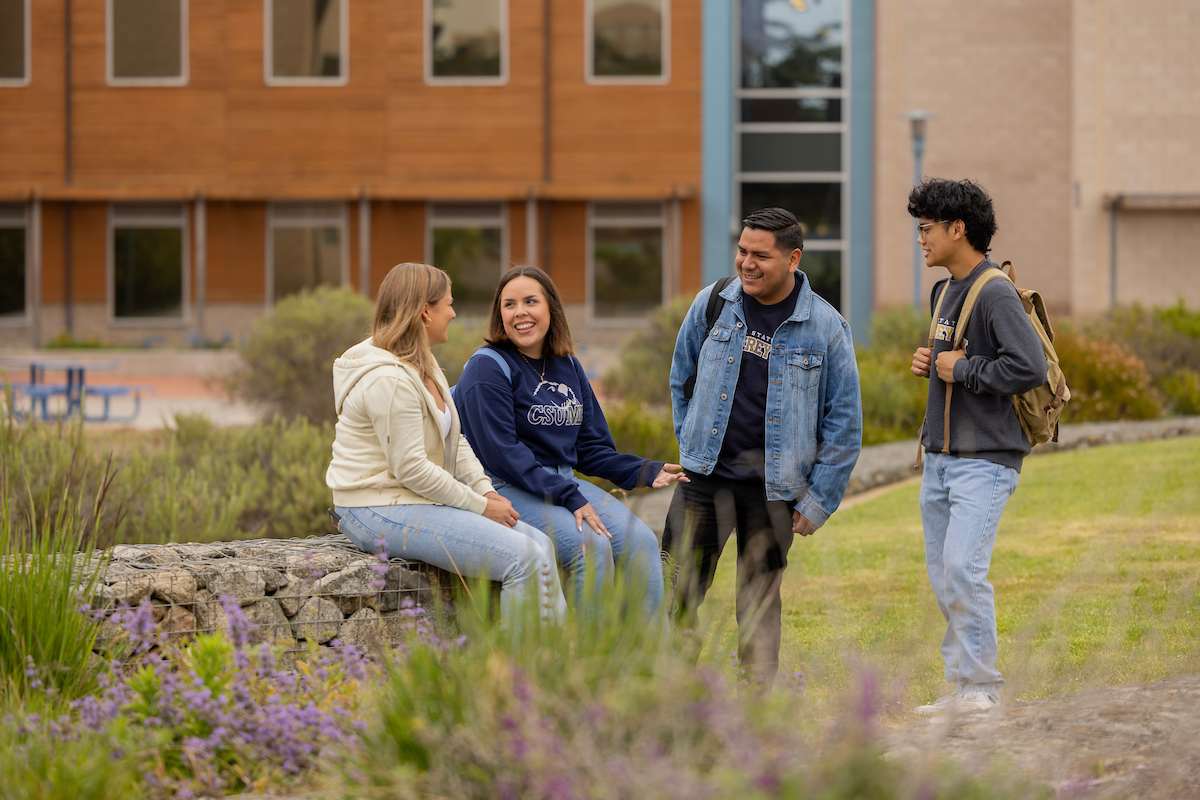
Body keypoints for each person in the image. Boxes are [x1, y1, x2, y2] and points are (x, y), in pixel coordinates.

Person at [663, 207, 863, 685]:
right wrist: (691, 444)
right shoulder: (712, 303)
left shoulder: (826, 328)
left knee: (758, 610)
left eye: (761, 256)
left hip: (773, 493)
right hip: (702, 484)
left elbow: (845, 424)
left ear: (793, 258)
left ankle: (755, 717)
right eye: (742, 252)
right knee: (673, 597)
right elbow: (681, 380)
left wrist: (818, 501)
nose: (747, 264)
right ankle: (663, 698)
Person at [326, 262, 566, 625]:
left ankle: (553, 661)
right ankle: (522, 674)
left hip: (409, 499)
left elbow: (457, 439)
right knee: (525, 558)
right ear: (425, 311)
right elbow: (411, 469)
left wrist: (486, 492)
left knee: (541, 546)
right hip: (374, 507)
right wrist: (478, 506)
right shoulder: (387, 379)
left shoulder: (423, 364)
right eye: (448, 305)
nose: (454, 313)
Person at [454, 265, 687, 620]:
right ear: (499, 315)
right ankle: (589, 662)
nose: (520, 313)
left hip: (560, 482)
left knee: (641, 542)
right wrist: (569, 496)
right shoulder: (487, 368)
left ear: (551, 309)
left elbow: (590, 449)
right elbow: (503, 455)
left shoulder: (568, 365)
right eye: (509, 305)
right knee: (589, 546)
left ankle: (648, 660)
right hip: (505, 485)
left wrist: (642, 470)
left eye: (530, 301)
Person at [908, 179, 1047, 715]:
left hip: (985, 461)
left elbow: (1028, 366)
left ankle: (981, 688)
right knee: (946, 576)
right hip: (941, 459)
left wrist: (962, 368)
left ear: (956, 229)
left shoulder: (995, 292)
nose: (920, 239)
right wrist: (931, 362)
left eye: (926, 229)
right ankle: (963, 686)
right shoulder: (943, 291)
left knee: (964, 569)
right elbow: (951, 363)